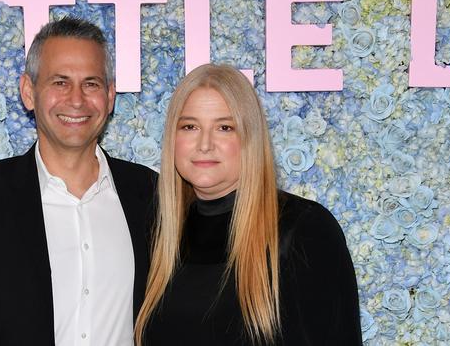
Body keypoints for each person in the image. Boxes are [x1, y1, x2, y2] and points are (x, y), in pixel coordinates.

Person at [0, 17, 157, 346]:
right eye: (60, 82)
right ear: (29, 92)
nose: (77, 99)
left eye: (91, 83)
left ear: (110, 97)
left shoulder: (152, 194)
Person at [134, 64, 362, 345]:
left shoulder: (303, 229)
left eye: (225, 127)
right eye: (190, 126)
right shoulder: (159, 233)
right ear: (173, 138)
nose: (204, 144)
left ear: (250, 139)